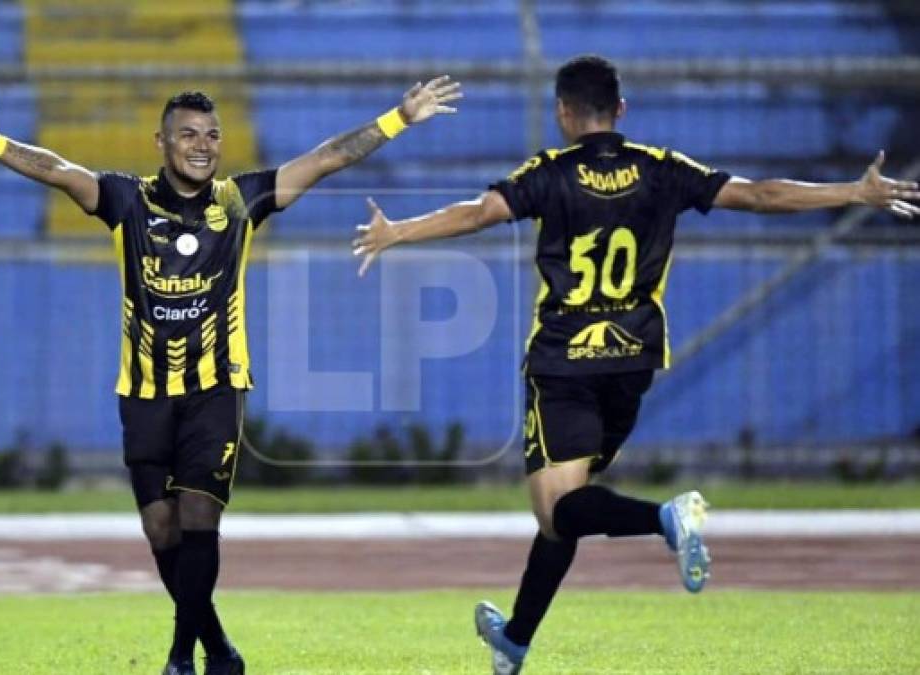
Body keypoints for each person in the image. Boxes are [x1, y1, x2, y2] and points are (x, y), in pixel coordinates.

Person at [352, 54, 919, 674]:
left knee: (558, 511)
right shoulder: (663, 169)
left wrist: (396, 232)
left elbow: (478, 213)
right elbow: (760, 195)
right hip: (631, 363)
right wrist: (855, 192)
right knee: (567, 511)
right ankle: (514, 640)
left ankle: (665, 518)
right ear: (621, 109)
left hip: (565, 363)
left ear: (564, 114)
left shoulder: (549, 172)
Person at [0, 77, 461, 675]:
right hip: (143, 393)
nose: (202, 145)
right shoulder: (126, 200)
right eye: (187, 135)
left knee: (198, 516)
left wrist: (400, 117)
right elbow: (60, 170)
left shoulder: (239, 202)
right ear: (161, 141)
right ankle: (219, 650)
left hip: (215, 387)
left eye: (212, 135)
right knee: (160, 530)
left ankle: (181, 658)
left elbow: (328, 158)